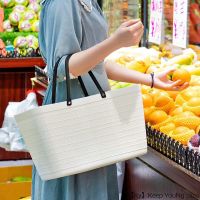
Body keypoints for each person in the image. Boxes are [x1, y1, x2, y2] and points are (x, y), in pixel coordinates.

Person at [32, 0, 188, 200]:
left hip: (93, 115)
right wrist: (116, 41)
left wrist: (150, 79)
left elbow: (97, 64)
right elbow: (63, 67)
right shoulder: (63, 3)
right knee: (77, 189)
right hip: (73, 115)